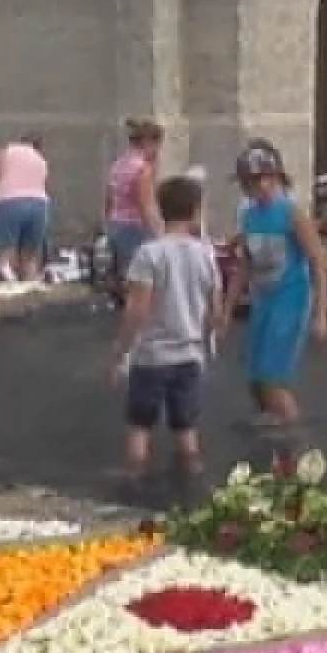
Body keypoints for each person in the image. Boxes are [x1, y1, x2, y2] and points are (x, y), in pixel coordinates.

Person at [110, 176, 224, 480]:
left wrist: (119, 352)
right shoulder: (206, 254)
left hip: (152, 356)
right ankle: (194, 485)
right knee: (186, 431)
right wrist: (208, 343)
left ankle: (131, 488)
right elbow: (216, 311)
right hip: (189, 356)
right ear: (196, 212)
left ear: (160, 210)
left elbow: (137, 310)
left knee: (140, 428)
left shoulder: (150, 255)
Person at [228, 140, 327, 428]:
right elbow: (245, 264)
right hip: (263, 299)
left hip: (291, 299)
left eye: (259, 180)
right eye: (247, 183)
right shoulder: (248, 215)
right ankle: (268, 437)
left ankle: (294, 447)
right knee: (255, 380)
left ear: (274, 178)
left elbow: (318, 261)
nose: (254, 189)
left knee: (272, 380)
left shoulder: (290, 213)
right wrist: (226, 309)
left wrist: (321, 315)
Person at [103, 119, 164, 300]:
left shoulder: (118, 164)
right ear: (149, 143)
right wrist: (159, 234)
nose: (158, 152)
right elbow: (146, 206)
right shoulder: (142, 169)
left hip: (116, 225)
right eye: (158, 146)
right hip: (135, 227)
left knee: (125, 279)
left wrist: (107, 226)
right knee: (141, 282)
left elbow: (109, 198)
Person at [0, 134, 50, 284]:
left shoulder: (8, 150)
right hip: (39, 205)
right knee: (29, 259)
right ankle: (29, 294)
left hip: (9, 202)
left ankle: (10, 288)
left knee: (4, 258)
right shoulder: (41, 160)